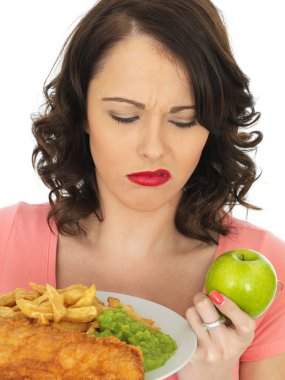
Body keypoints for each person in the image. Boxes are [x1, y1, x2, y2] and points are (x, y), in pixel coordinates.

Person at [0, 0, 284, 379]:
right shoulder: (6, 241)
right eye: (125, 116)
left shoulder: (271, 270)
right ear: (82, 111)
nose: (153, 148)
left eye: (184, 120)